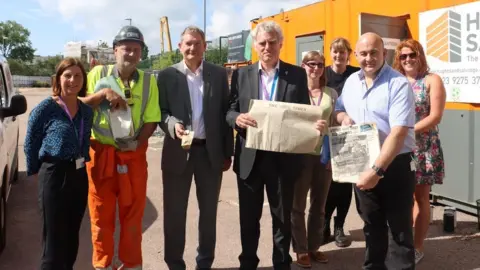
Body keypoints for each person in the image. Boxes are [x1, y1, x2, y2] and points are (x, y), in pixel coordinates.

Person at [226, 20, 327, 270]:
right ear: (256, 46)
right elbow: (229, 110)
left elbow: (305, 112)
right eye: (262, 43)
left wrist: (315, 126)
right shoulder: (241, 74)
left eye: (272, 42)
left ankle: (282, 263)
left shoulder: (295, 74)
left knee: (281, 220)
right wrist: (236, 118)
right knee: (249, 219)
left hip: (284, 161)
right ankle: (248, 263)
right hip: (250, 158)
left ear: (281, 44)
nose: (267, 47)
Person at [79, 25, 161, 270]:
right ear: (115, 51)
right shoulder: (96, 74)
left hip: (133, 157)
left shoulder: (148, 81)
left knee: (133, 217)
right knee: (100, 216)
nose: (131, 54)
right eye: (126, 49)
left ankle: (131, 264)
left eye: (136, 50)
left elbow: (152, 119)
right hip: (101, 155)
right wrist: (102, 93)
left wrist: (137, 143)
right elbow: (77, 105)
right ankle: (103, 265)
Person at [334, 32, 416, 269]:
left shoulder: (398, 83)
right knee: (372, 226)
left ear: (384, 54)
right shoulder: (351, 82)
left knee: (399, 230)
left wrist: (377, 170)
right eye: (363, 53)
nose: (368, 58)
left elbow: (398, 133)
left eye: (374, 53)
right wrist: (344, 118)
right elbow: (339, 109)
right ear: (356, 55)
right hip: (361, 161)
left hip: (394, 164)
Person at [156, 25, 233, 270]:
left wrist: (227, 153)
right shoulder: (167, 75)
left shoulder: (218, 74)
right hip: (178, 153)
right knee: (174, 215)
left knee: (208, 215)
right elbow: (161, 113)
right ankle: (175, 264)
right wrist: (171, 126)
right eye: (187, 43)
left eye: (197, 43)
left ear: (204, 47)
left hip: (209, 155)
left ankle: (204, 263)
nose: (191, 48)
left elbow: (225, 113)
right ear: (180, 47)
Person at [24, 57, 93, 270]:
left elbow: (84, 140)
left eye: (78, 75)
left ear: (84, 79)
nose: (73, 80)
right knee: (53, 243)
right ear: (58, 79)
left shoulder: (86, 111)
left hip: (79, 176)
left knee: (72, 239)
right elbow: (30, 142)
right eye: (67, 75)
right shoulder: (46, 108)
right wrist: (36, 171)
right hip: (54, 175)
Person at [393, 39, 446, 264]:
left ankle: (417, 246)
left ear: (420, 55)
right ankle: (400, 243)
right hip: (396, 148)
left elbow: (435, 117)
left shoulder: (431, 80)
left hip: (423, 148)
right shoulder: (396, 81)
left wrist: (406, 131)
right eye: (403, 56)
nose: (407, 60)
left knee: (421, 198)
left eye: (411, 55)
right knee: (398, 198)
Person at [291, 51, 338, 268]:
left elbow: (336, 123)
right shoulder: (295, 91)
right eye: (311, 64)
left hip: (323, 155)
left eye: (320, 64)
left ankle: (314, 247)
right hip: (300, 155)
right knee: (297, 205)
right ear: (303, 66)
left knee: (319, 205)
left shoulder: (331, 93)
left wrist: (327, 127)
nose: (316, 68)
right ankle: (301, 250)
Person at [323, 37, 360, 248]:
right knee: (327, 184)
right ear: (331, 53)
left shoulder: (355, 74)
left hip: (349, 136)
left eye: (343, 52)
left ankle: (339, 227)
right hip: (327, 136)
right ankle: (324, 225)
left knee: (344, 185)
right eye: (335, 52)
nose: (339, 56)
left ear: (349, 54)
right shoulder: (324, 73)